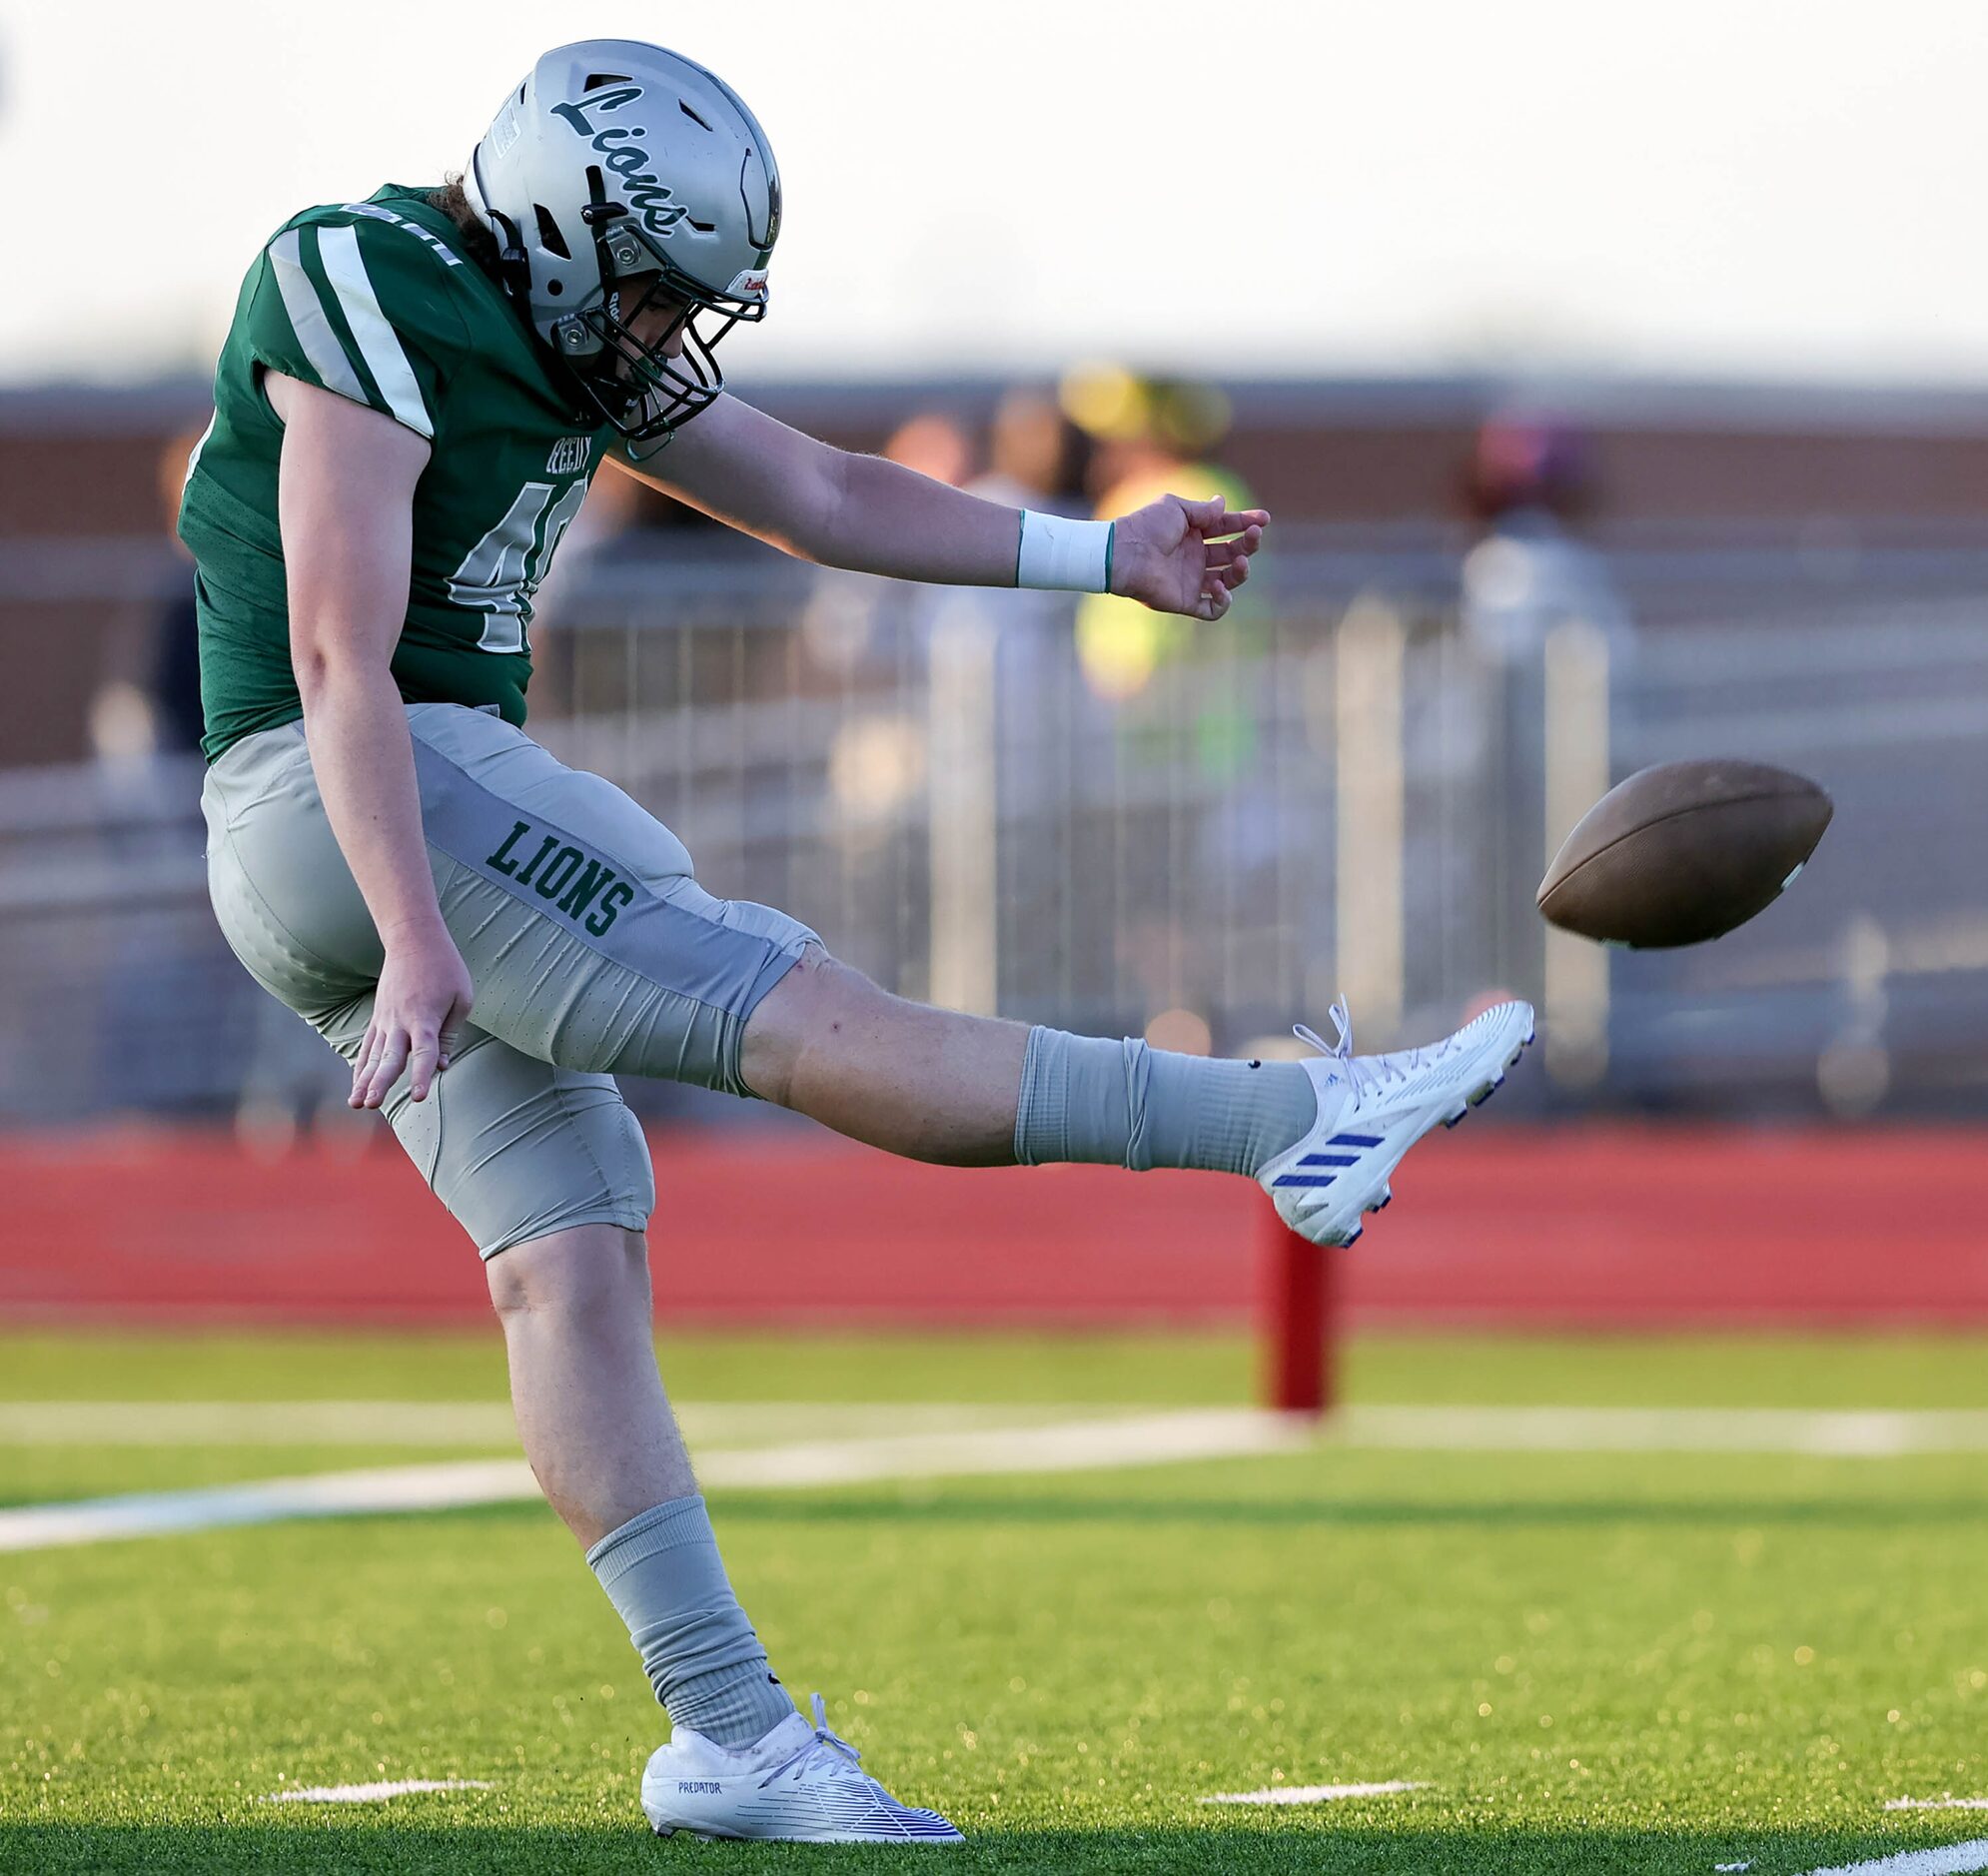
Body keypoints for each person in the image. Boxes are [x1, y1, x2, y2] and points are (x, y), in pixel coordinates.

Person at [182, 39, 1533, 1846]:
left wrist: (1095, 559)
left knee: (564, 1264)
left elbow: (822, 496)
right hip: (364, 794)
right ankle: (1290, 1126)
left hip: (350, 833)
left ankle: (726, 1736)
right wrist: (417, 929)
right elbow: (342, 650)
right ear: (564, 221)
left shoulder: (558, 313)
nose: (671, 328)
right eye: (655, 283)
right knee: (808, 1012)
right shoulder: (366, 271)